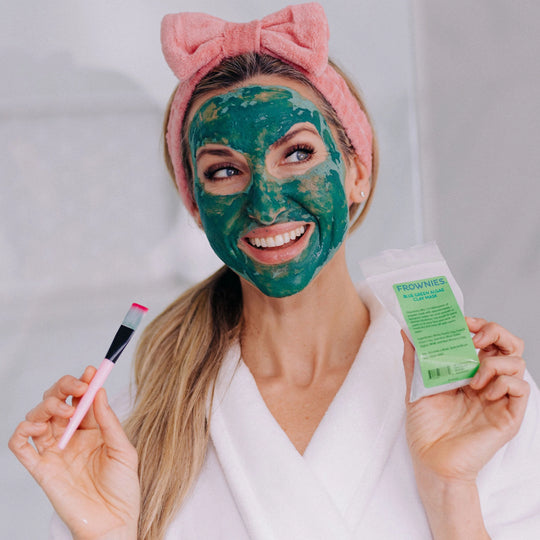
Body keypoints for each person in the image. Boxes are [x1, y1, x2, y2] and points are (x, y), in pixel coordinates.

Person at [9, 4, 540, 539]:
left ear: (357, 170)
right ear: (196, 206)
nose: (264, 204)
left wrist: (450, 490)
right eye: (223, 170)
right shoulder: (131, 436)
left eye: (297, 154)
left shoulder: (475, 398)